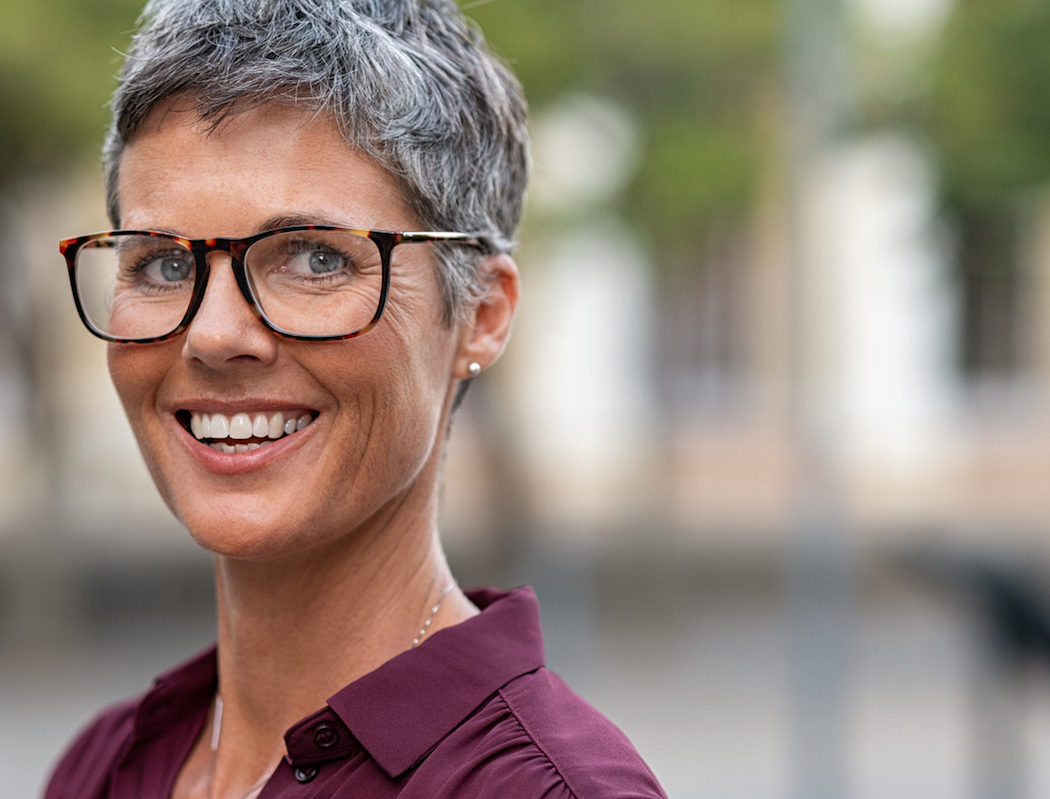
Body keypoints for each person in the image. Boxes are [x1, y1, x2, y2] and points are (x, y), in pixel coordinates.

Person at [46, 1, 667, 797]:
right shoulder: (106, 765)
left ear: (481, 315)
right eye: (162, 264)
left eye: (312, 257)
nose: (213, 334)